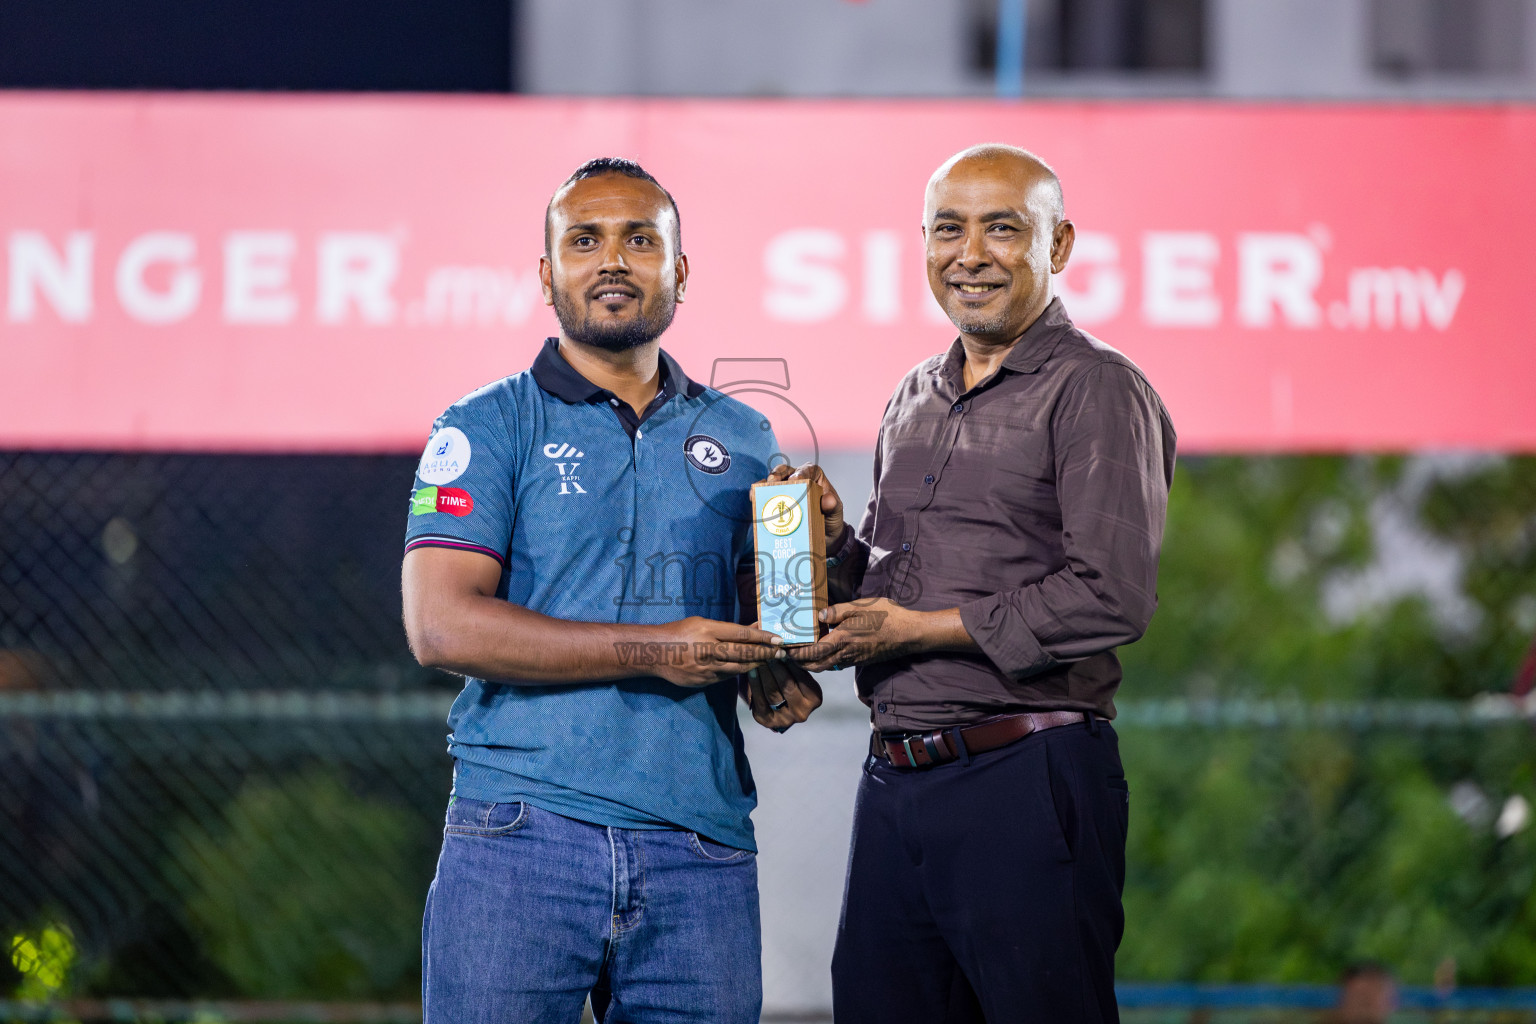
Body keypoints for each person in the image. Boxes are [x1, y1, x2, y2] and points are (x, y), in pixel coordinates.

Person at [401, 157, 821, 1024]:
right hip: (521, 835)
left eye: (641, 239)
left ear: (681, 269)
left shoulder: (743, 435)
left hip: (699, 841)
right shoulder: (482, 423)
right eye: (584, 240)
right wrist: (658, 649)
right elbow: (440, 626)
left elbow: (770, 629)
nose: (614, 260)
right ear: (547, 271)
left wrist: (799, 613)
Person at [780, 144, 1177, 1022]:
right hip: (894, 780)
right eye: (948, 229)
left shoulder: (1099, 389)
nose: (972, 254)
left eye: (1004, 228)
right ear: (921, 244)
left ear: (1059, 245)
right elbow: (892, 585)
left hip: (1026, 774)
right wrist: (836, 546)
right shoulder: (912, 396)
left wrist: (914, 633)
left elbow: (1110, 595)